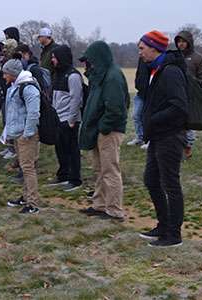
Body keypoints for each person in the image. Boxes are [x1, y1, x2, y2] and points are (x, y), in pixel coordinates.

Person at [138, 30, 189, 247]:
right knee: (151, 179)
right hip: (158, 136)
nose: (139, 52)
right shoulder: (156, 69)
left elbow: (180, 106)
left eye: (142, 48)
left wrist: (154, 119)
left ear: (153, 47)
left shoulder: (170, 72)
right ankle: (164, 224)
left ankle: (173, 235)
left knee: (170, 184)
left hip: (170, 136)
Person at [77, 41, 129, 222]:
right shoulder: (100, 75)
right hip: (100, 131)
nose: (85, 64)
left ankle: (115, 211)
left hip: (110, 132)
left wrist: (104, 128)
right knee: (100, 169)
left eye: (88, 60)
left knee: (110, 170)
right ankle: (99, 205)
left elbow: (116, 109)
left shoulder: (112, 77)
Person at [1, 59, 41, 214]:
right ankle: (26, 196)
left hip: (26, 136)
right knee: (24, 168)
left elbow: (33, 113)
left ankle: (33, 204)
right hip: (17, 134)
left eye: (6, 73)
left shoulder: (28, 88)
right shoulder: (15, 86)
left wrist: (27, 134)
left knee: (28, 168)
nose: (4, 76)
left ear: (13, 73)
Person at [48, 45, 83, 192]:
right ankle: (63, 175)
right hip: (58, 119)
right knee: (60, 149)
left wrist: (71, 120)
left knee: (72, 150)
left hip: (69, 120)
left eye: (54, 57)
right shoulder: (58, 74)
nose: (52, 60)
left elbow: (76, 99)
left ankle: (75, 179)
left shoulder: (73, 75)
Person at [175, 30, 202, 160]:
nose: (181, 44)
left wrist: (194, 88)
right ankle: (178, 147)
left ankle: (188, 149)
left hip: (192, 96)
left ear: (189, 42)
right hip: (176, 94)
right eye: (179, 41)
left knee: (190, 123)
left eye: (183, 41)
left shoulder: (198, 58)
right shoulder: (175, 57)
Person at [127, 58, 149, 148]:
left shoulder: (155, 59)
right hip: (140, 93)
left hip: (151, 94)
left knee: (149, 118)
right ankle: (140, 137)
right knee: (136, 115)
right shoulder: (141, 59)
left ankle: (149, 139)